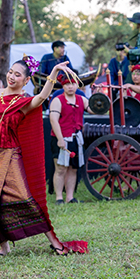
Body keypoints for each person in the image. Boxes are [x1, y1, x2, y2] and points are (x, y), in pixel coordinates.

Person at [0, 57, 88, 258]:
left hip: (9, 151)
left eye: (17, 75)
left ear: (26, 80)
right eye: (11, 72)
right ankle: (4, 246)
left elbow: (43, 97)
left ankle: (54, 241)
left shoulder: (25, 102)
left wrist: (53, 74)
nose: (11, 76)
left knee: (24, 197)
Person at [49, 73, 89, 205]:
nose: (70, 87)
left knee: (73, 168)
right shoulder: (57, 100)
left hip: (76, 138)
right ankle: (59, 198)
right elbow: (53, 121)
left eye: (72, 84)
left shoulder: (82, 99)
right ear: (63, 85)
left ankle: (70, 197)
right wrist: (60, 139)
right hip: (61, 138)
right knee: (60, 168)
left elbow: (95, 109)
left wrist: (97, 96)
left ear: (77, 84)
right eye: (67, 84)